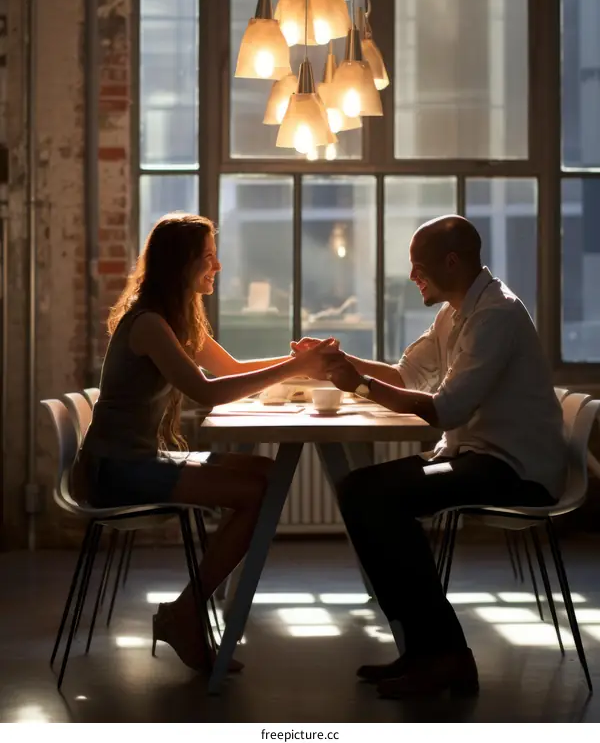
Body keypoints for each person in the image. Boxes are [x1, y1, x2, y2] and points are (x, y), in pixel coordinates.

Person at [294, 215, 567, 699]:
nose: (414, 276)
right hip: (475, 456)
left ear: (452, 262)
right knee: (359, 489)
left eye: (419, 267)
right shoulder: (456, 312)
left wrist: (356, 384)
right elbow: (404, 376)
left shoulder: (496, 315)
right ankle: (425, 649)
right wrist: (340, 363)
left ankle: (448, 656)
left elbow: (446, 409)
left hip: (516, 470)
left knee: (378, 497)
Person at [75, 212, 333, 673]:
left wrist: (303, 359)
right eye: (209, 257)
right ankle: (186, 611)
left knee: (268, 475)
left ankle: (191, 608)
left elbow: (230, 368)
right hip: (115, 471)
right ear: (182, 264)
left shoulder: (174, 319)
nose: (217, 267)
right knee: (259, 492)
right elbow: (208, 392)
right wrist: (299, 368)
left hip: (134, 460)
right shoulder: (151, 323)